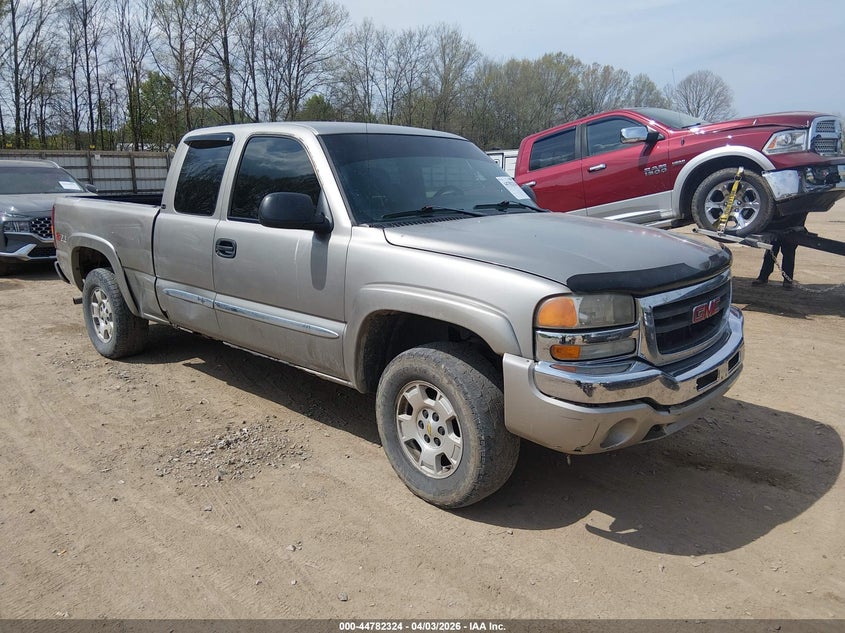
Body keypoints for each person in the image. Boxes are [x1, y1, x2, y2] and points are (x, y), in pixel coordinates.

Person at [751, 212, 808, 290]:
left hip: (791, 229)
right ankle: (763, 277)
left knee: (788, 254)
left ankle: (787, 280)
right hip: (776, 228)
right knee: (770, 254)